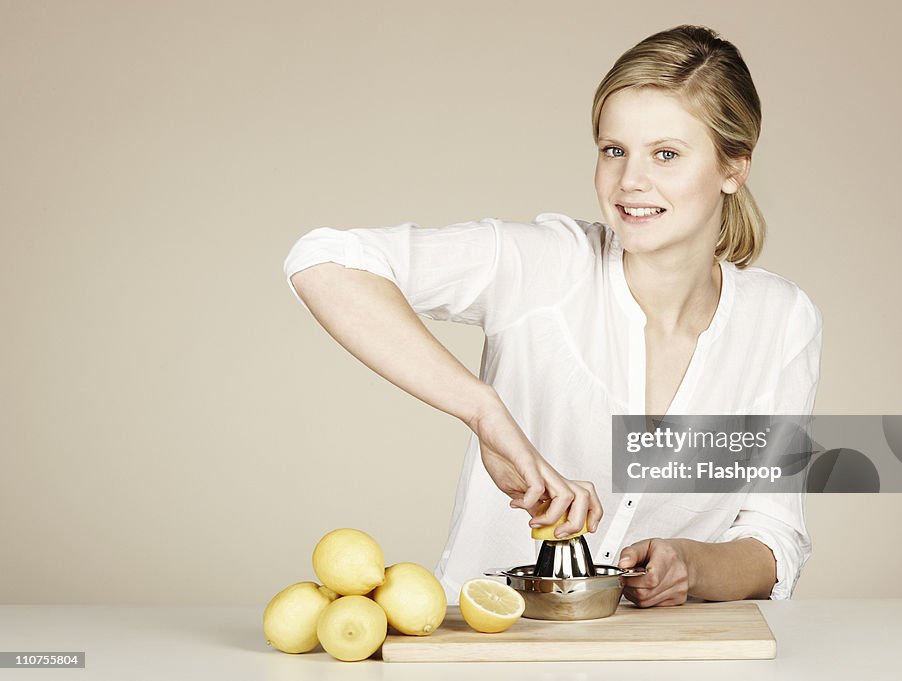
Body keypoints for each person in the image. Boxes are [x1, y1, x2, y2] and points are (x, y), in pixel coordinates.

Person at [283, 25, 821, 606]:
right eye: (614, 150)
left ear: (733, 167)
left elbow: (774, 538)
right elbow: (323, 261)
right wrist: (484, 412)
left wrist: (691, 564)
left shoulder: (782, 320)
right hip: (497, 649)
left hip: (667, 657)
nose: (630, 181)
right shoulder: (544, 265)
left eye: (665, 154)